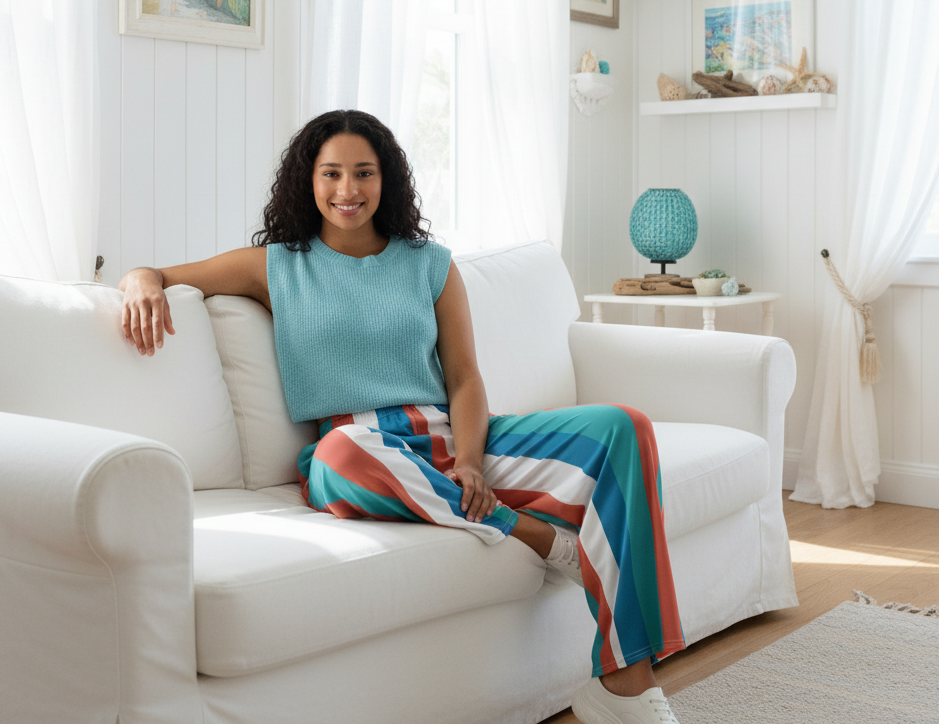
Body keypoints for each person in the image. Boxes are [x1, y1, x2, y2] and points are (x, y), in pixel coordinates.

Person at [119, 109, 686, 724]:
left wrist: (470, 459)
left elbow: (466, 378)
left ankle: (625, 687)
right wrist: (139, 283)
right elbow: (159, 274)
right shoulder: (276, 266)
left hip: (450, 438)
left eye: (363, 173)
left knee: (626, 427)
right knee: (340, 450)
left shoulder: (431, 264)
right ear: (306, 181)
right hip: (360, 453)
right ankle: (536, 537)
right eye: (331, 173)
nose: (347, 190)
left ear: (385, 179)